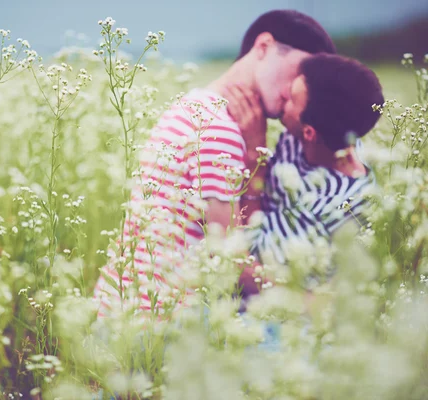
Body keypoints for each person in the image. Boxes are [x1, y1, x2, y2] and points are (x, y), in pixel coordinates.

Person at [93, 10, 337, 318]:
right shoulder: (216, 129)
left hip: (129, 312)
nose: (298, 91)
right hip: (156, 327)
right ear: (263, 47)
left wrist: (254, 157)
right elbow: (233, 260)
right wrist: (310, 304)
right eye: (299, 74)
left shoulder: (198, 105)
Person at [223, 53, 384, 297]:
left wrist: (256, 157)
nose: (282, 96)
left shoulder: (346, 206)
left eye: (291, 99)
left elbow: (257, 268)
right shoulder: (304, 138)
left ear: (309, 132)